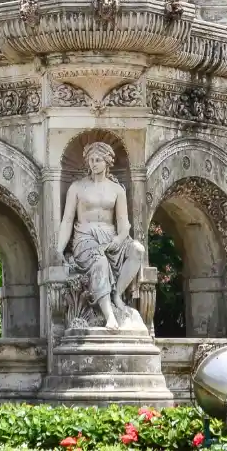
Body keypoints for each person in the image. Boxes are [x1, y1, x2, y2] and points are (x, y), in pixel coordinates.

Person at [57, 141, 146, 330]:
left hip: (111, 237)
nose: (94, 163)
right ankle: (109, 316)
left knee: (138, 250)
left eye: (98, 160)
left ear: (107, 162)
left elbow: (123, 224)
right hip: (85, 237)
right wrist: (59, 250)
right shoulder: (77, 187)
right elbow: (67, 220)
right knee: (100, 262)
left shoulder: (117, 190)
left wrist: (118, 240)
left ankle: (117, 295)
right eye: (91, 160)